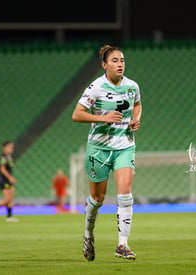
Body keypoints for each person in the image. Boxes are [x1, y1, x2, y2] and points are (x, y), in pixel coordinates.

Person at [72, 44, 142, 261]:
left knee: (125, 192)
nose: (120, 64)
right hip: (99, 149)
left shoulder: (132, 86)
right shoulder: (95, 88)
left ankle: (122, 244)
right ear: (104, 65)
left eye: (122, 60)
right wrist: (104, 117)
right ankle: (88, 236)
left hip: (124, 145)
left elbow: (137, 104)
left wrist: (136, 119)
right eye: (114, 60)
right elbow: (77, 114)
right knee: (98, 197)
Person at [0, 141, 18, 222]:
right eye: (9, 147)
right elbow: (2, 169)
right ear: (4, 148)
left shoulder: (9, 158)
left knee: (10, 199)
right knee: (7, 199)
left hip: (8, 180)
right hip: (4, 180)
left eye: (12, 148)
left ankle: (9, 216)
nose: (11, 149)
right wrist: (10, 177)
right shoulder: (3, 158)